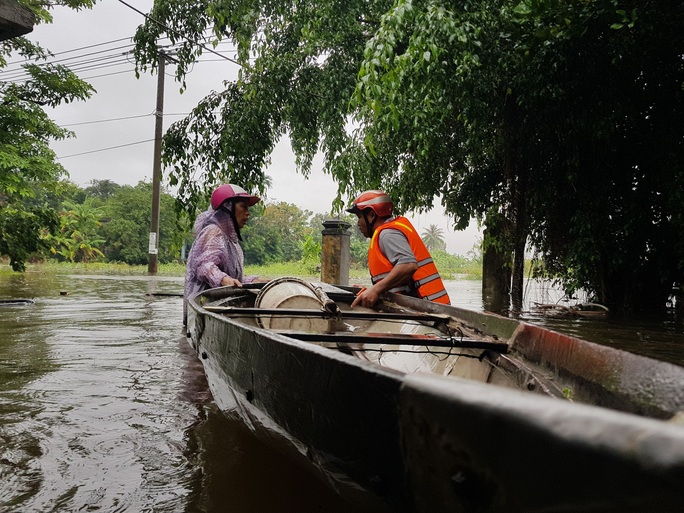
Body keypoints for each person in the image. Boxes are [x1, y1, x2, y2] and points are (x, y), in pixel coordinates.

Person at [346, 190, 450, 308]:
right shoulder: (389, 231)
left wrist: (375, 290)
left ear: (371, 215)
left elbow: (408, 265)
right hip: (430, 308)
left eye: (359, 217)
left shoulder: (387, 234)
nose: (358, 223)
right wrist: (372, 290)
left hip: (428, 312)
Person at [183, 183, 260, 325]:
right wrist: (224, 280)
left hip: (220, 311)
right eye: (243, 207)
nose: (248, 213)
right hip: (202, 314)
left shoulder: (231, 242)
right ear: (228, 207)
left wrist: (255, 281)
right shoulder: (213, 232)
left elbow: (235, 280)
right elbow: (205, 266)